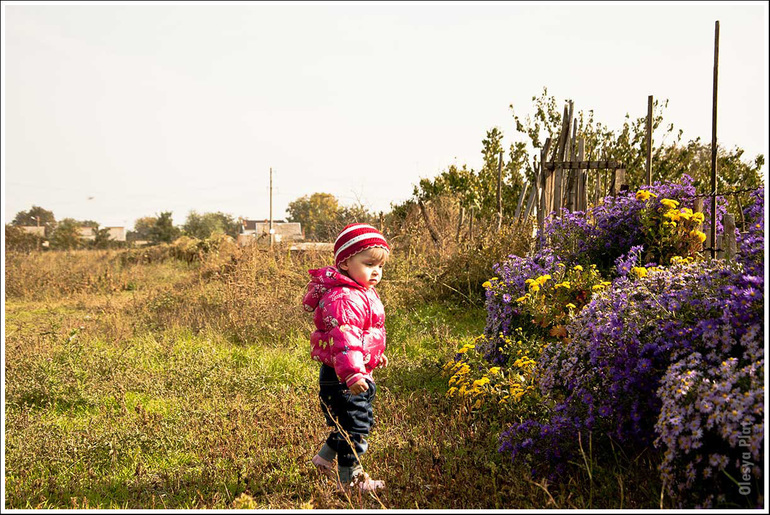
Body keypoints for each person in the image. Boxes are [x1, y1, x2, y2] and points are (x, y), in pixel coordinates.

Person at [302, 223, 390, 492]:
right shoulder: (344, 298)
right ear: (344, 263)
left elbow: (363, 335)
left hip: (348, 369)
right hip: (344, 375)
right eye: (368, 263)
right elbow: (344, 339)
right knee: (357, 426)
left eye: (380, 266)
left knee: (349, 420)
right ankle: (349, 480)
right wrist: (353, 372)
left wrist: (374, 355)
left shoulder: (360, 291)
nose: (376, 271)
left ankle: (324, 459)